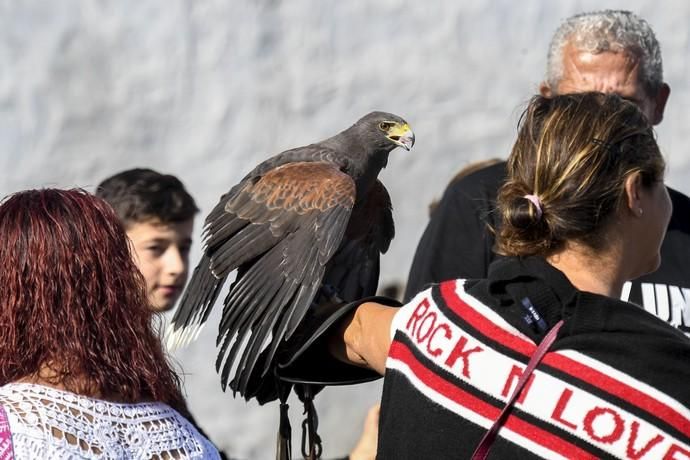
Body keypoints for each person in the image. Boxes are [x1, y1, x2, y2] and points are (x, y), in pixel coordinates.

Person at [303, 93, 690, 459]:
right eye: (663, 184)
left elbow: (345, 330)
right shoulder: (670, 385)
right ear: (635, 193)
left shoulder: (432, 316)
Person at [404, 10, 690, 338]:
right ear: (546, 102)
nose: (604, 123)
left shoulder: (681, 222)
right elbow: (421, 349)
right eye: (579, 103)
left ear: (659, 103)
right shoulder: (479, 201)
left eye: (624, 105)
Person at [0, 188, 220, 459]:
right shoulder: (186, 438)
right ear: (116, 282)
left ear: (14, 292)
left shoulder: (11, 424)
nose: (176, 267)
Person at [95, 168, 199, 313]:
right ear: (108, 248)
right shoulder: (71, 333)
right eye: (155, 248)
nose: (178, 267)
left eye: (184, 248)